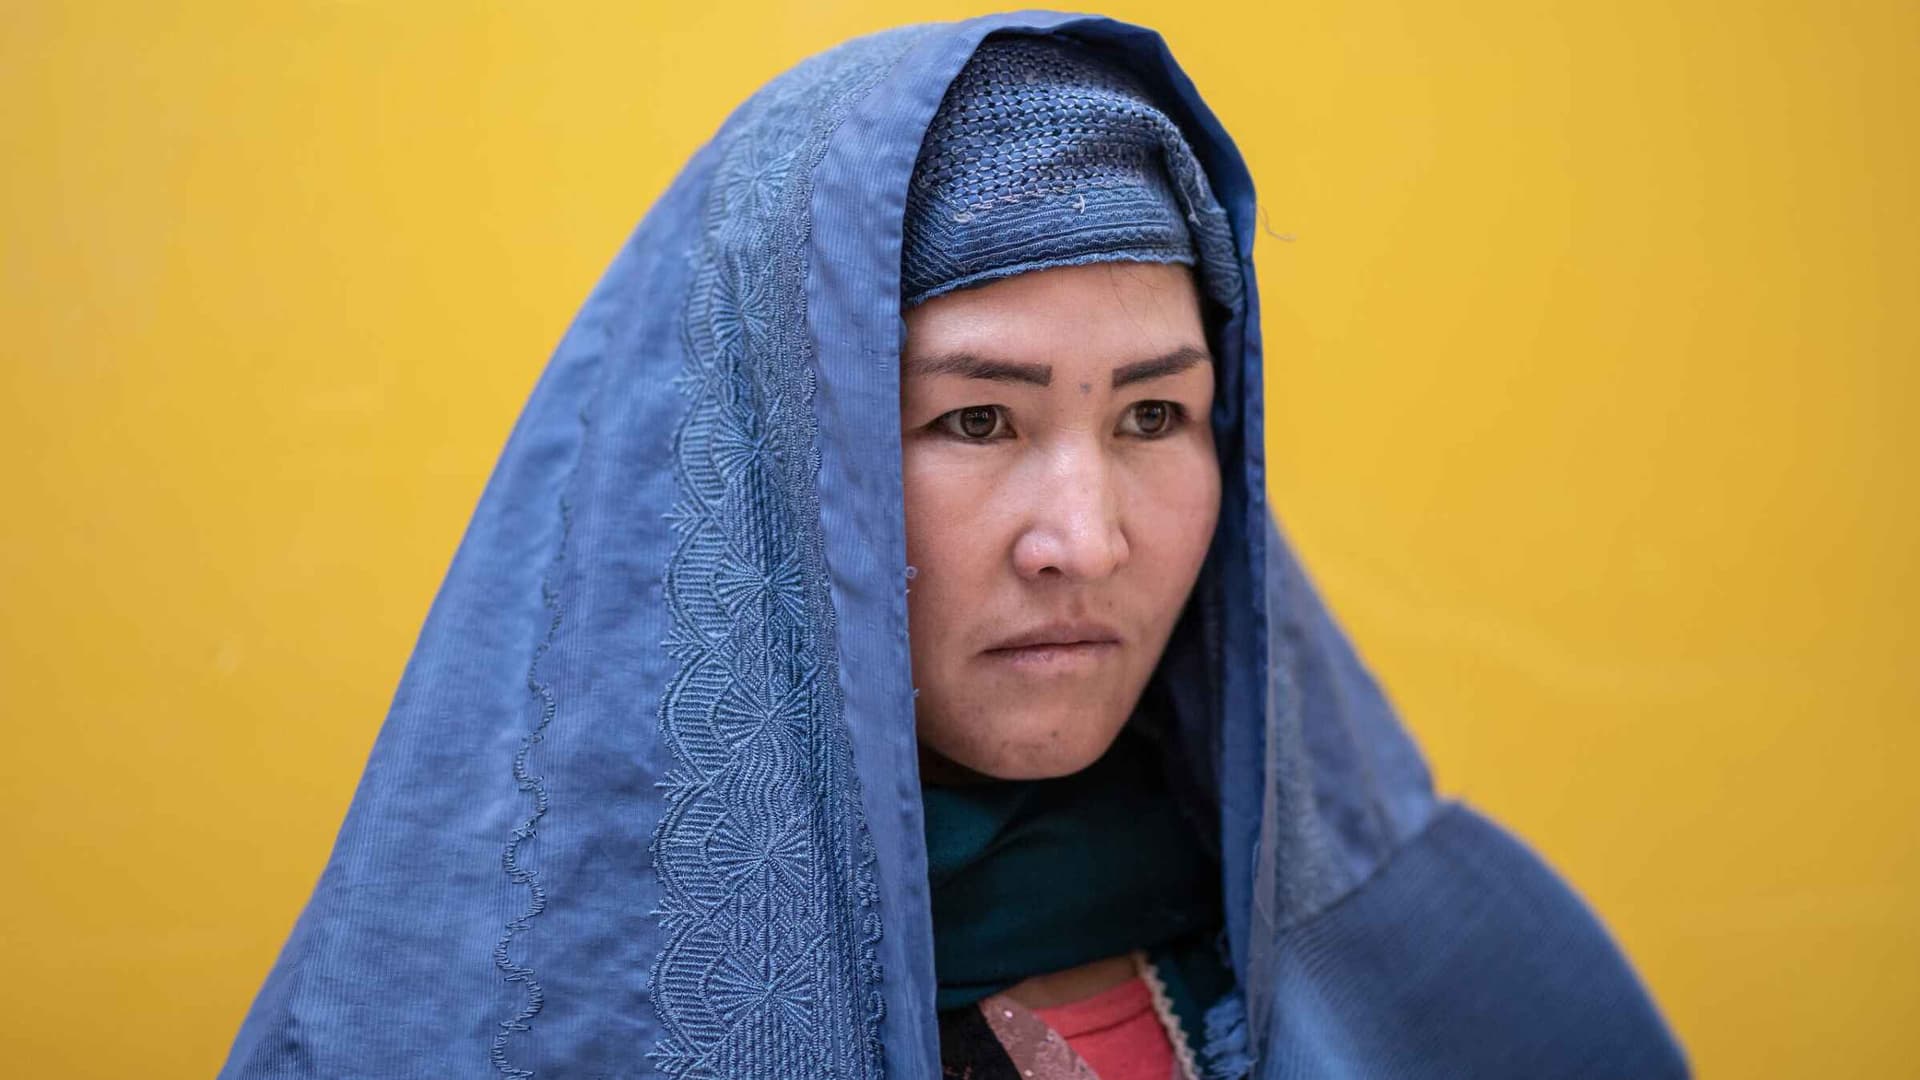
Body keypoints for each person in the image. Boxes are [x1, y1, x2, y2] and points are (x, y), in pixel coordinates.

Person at [219, 13, 1688, 1079]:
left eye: (1157, 415)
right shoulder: (508, 1021)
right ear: (777, 477)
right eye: (977, 422)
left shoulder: (1418, 979)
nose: (1086, 538)